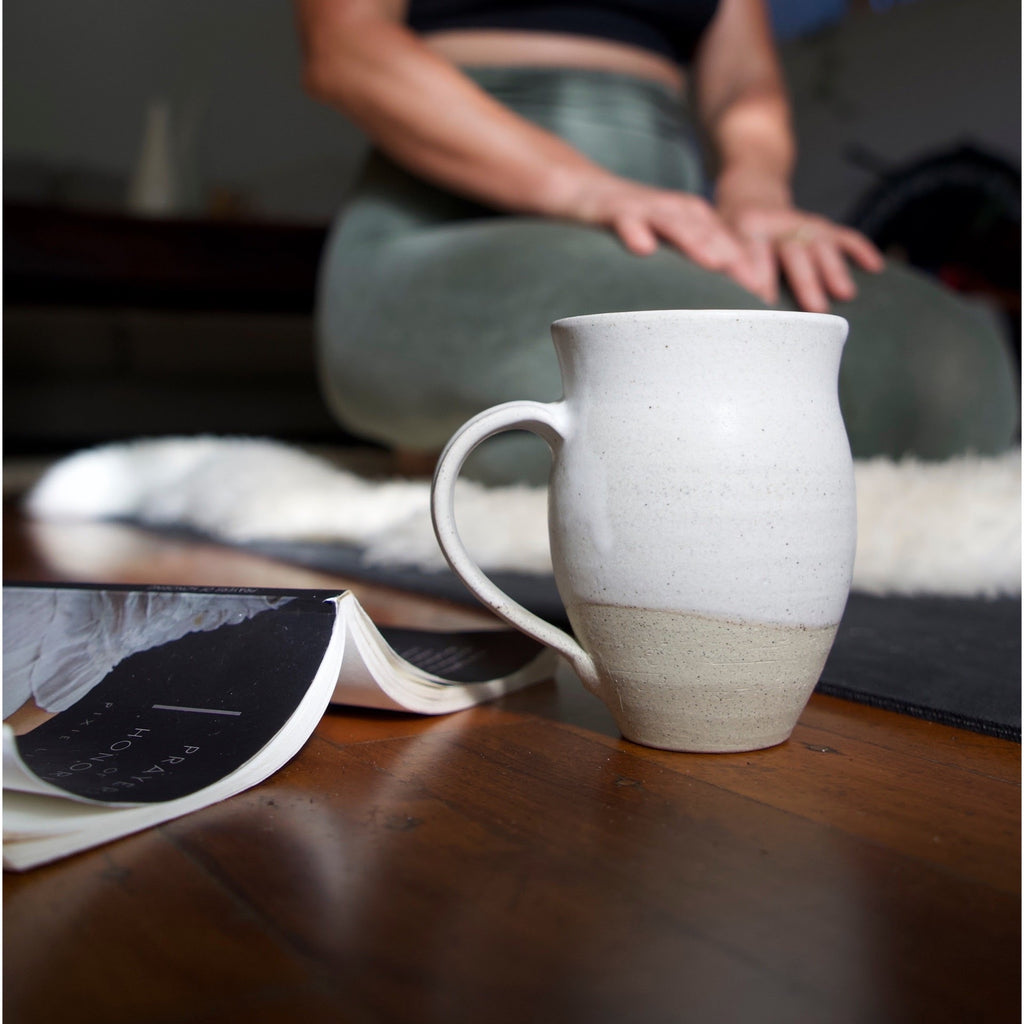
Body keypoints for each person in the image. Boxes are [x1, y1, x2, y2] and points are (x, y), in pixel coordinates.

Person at [295, 0, 1018, 484]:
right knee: (727, 362)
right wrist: (585, 188)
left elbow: (742, 80)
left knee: (953, 354)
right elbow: (347, 48)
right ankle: (466, 451)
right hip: (447, 224)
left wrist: (756, 192)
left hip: (672, 227)